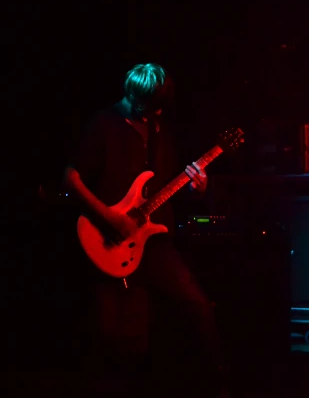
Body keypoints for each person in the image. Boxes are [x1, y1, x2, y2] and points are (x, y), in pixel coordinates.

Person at [63, 63, 229, 396]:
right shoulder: (102, 125)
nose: (158, 111)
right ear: (133, 95)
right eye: (151, 105)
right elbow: (70, 177)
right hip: (108, 239)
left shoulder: (159, 130)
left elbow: (165, 185)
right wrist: (110, 219)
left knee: (197, 307)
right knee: (110, 339)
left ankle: (217, 388)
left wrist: (198, 187)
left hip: (152, 241)